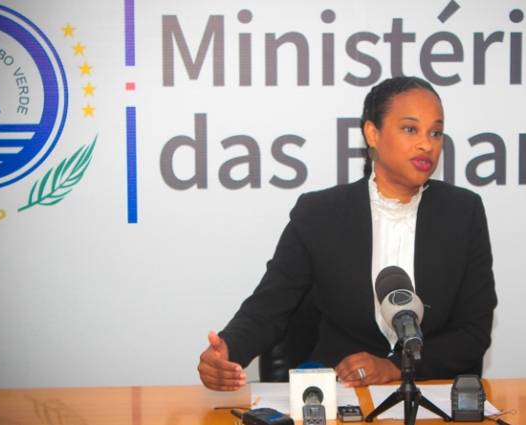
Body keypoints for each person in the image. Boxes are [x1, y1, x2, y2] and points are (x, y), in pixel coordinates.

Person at [198, 76, 497, 391]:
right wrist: (227, 351)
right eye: (410, 129)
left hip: (432, 395)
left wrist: (394, 367)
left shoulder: (463, 213)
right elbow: (267, 309)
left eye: (435, 132)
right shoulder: (319, 214)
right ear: (373, 133)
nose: (427, 144)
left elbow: (473, 332)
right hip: (342, 395)